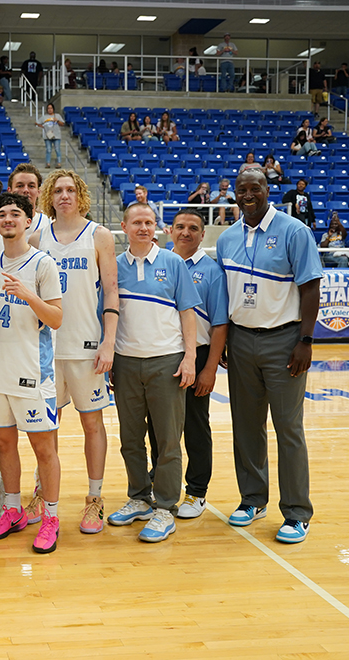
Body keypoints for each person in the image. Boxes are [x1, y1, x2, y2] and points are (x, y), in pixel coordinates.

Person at [217, 170, 322, 544]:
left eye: (254, 188)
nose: (248, 195)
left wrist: (305, 340)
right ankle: (252, 499)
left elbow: (311, 288)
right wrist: (225, 340)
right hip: (241, 341)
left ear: (267, 190)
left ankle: (296, 512)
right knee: (246, 426)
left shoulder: (294, 231)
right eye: (241, 189)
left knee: (288, 429)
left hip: (284, 341)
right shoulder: (227, 238)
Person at [29, 170, 118, 534]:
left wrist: (109, 341)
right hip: (47, 350)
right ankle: (40, 492)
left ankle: (94, 498)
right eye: (58, 190)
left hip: (86, 348)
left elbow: (111, 291)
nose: (64, 195)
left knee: (91, 424)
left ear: (80, 195)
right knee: (45, 427)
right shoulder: (36, 238)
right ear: (49, 197)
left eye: (71, 190)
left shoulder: (99, 235)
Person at [0, 193, 64, 553]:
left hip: (33, 372)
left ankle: (52, 516)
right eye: (2, 215)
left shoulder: (43, 264)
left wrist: (27, 295)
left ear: (29, 221)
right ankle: (12, 510)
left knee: (44, 448)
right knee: (3, 444)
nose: (8, 219)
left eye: (15, 214)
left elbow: (56, 318)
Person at [106, 202, 199, 543]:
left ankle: (165, 508)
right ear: (124, 226)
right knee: (130, 439)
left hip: (166, 363)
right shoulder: (114, 267)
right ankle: (139, 498)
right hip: (126, 363)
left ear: (157, 228)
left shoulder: (173, 263)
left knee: (167, 440)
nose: (143, 227)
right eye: (137, 222)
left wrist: (189, 358)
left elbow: (188, 313)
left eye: (149, 222)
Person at [146, 209, 228, 520]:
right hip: (162, 354)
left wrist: (209, 369)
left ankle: (196, 491)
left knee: (195, 426)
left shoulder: (212, 271)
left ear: (202, 234)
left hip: (199, 355)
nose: (185, 233)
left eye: (193, 228)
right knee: (158, 426)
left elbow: (220, 324)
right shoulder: (157, 264)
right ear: (169, 230)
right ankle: (161, 483)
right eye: (180, 226)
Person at [38, 103, 65, 169]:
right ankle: (48, 163)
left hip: (56, 135)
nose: (50, 110)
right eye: (48, 108)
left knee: (57, 149)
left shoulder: (57, 115)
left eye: (51, 108)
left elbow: (62, 124)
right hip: (48, 136)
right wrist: (43, 127)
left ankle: (59, 163)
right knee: (48, 150)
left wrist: (57, 120)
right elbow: (37, 123)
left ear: (53, 109)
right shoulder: (44, 117)